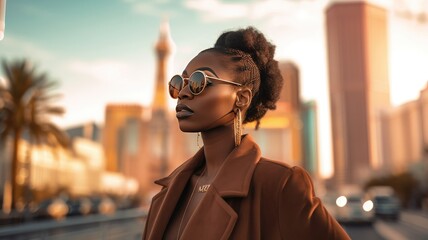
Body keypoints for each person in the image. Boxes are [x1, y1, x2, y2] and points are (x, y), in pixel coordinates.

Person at [142, 26, 350, 240]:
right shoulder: (169, 189)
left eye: (199, 82)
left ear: (241, 98)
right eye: (179, 83)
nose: (183, 93)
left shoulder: (279, 185)